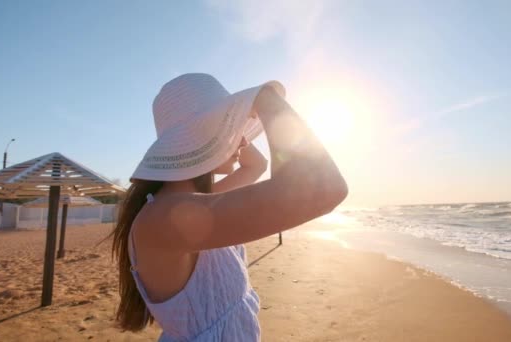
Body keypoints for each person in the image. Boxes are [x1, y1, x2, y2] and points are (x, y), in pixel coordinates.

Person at [111, 73, 348, 341]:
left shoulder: (195, 205)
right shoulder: (164, 219)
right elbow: (325, 189)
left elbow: (256, 165)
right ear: (202, 133)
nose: (245, 141)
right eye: (230, 127)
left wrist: (226, 123)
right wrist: (261, 97)